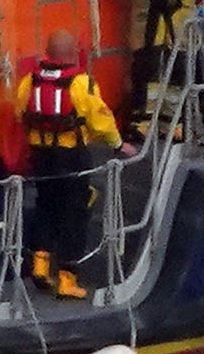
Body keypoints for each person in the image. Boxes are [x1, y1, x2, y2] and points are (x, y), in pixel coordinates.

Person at [13, 30, 134, 296]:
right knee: (74, 215)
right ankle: (68, 280)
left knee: (45, 207)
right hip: (71, 158)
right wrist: (117, 144)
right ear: (72, 54)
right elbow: (100, 118)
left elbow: (19, 111)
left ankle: (40, 266)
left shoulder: (29, 81)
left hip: (40, 156)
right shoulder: (81, 83)